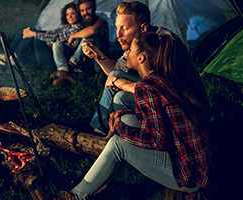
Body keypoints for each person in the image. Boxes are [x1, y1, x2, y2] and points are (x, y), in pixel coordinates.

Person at [55, 31, 211, 200]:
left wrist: (119, 129)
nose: (126, 52)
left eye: (130, 51)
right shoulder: (158, 77)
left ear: (141, 58)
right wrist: (125, 117)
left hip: (190, 174)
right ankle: (115, 184)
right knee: (126, 119)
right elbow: (158, 122)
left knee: (117, 143)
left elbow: (156, 141)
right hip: (188, 156)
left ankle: (75, 196)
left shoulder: (146, 88)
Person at [86, 1, 210, 135]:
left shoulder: (161, 42)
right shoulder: (136, 42)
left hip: (187, 110)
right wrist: (98, 57)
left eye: (125, 28)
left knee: (120, 96)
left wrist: (123, 84)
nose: (118, 34)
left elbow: (161, 90)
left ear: (143, 28)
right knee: (117, 81)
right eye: (117, 27)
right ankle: (105, 130)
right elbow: (116, 70)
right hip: (161, 99)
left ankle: (108, 133)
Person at [0, 2, 83, 73]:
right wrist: (31, 32)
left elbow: (56, 37)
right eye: (67, 14)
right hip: (46, 56)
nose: (69, 16)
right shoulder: (67, 27)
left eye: (73, 13)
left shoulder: (78, 28)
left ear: (78, 14)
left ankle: (12, 57)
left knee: (35, 35)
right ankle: (7, 55)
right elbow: (52, 32)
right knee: (30, 31)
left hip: (52, 64)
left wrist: (34, 34)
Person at [51, 0, 109, 87]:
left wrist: (73, 35)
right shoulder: (80, 23)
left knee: (88, 37)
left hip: (98, 61)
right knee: (57, 44)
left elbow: (92, 30)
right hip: (84, 58)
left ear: (94, 8)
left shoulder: (100, 21)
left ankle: (69, 68)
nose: (85, 13)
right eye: (82, 10)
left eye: (88, 9)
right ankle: (63, 71)